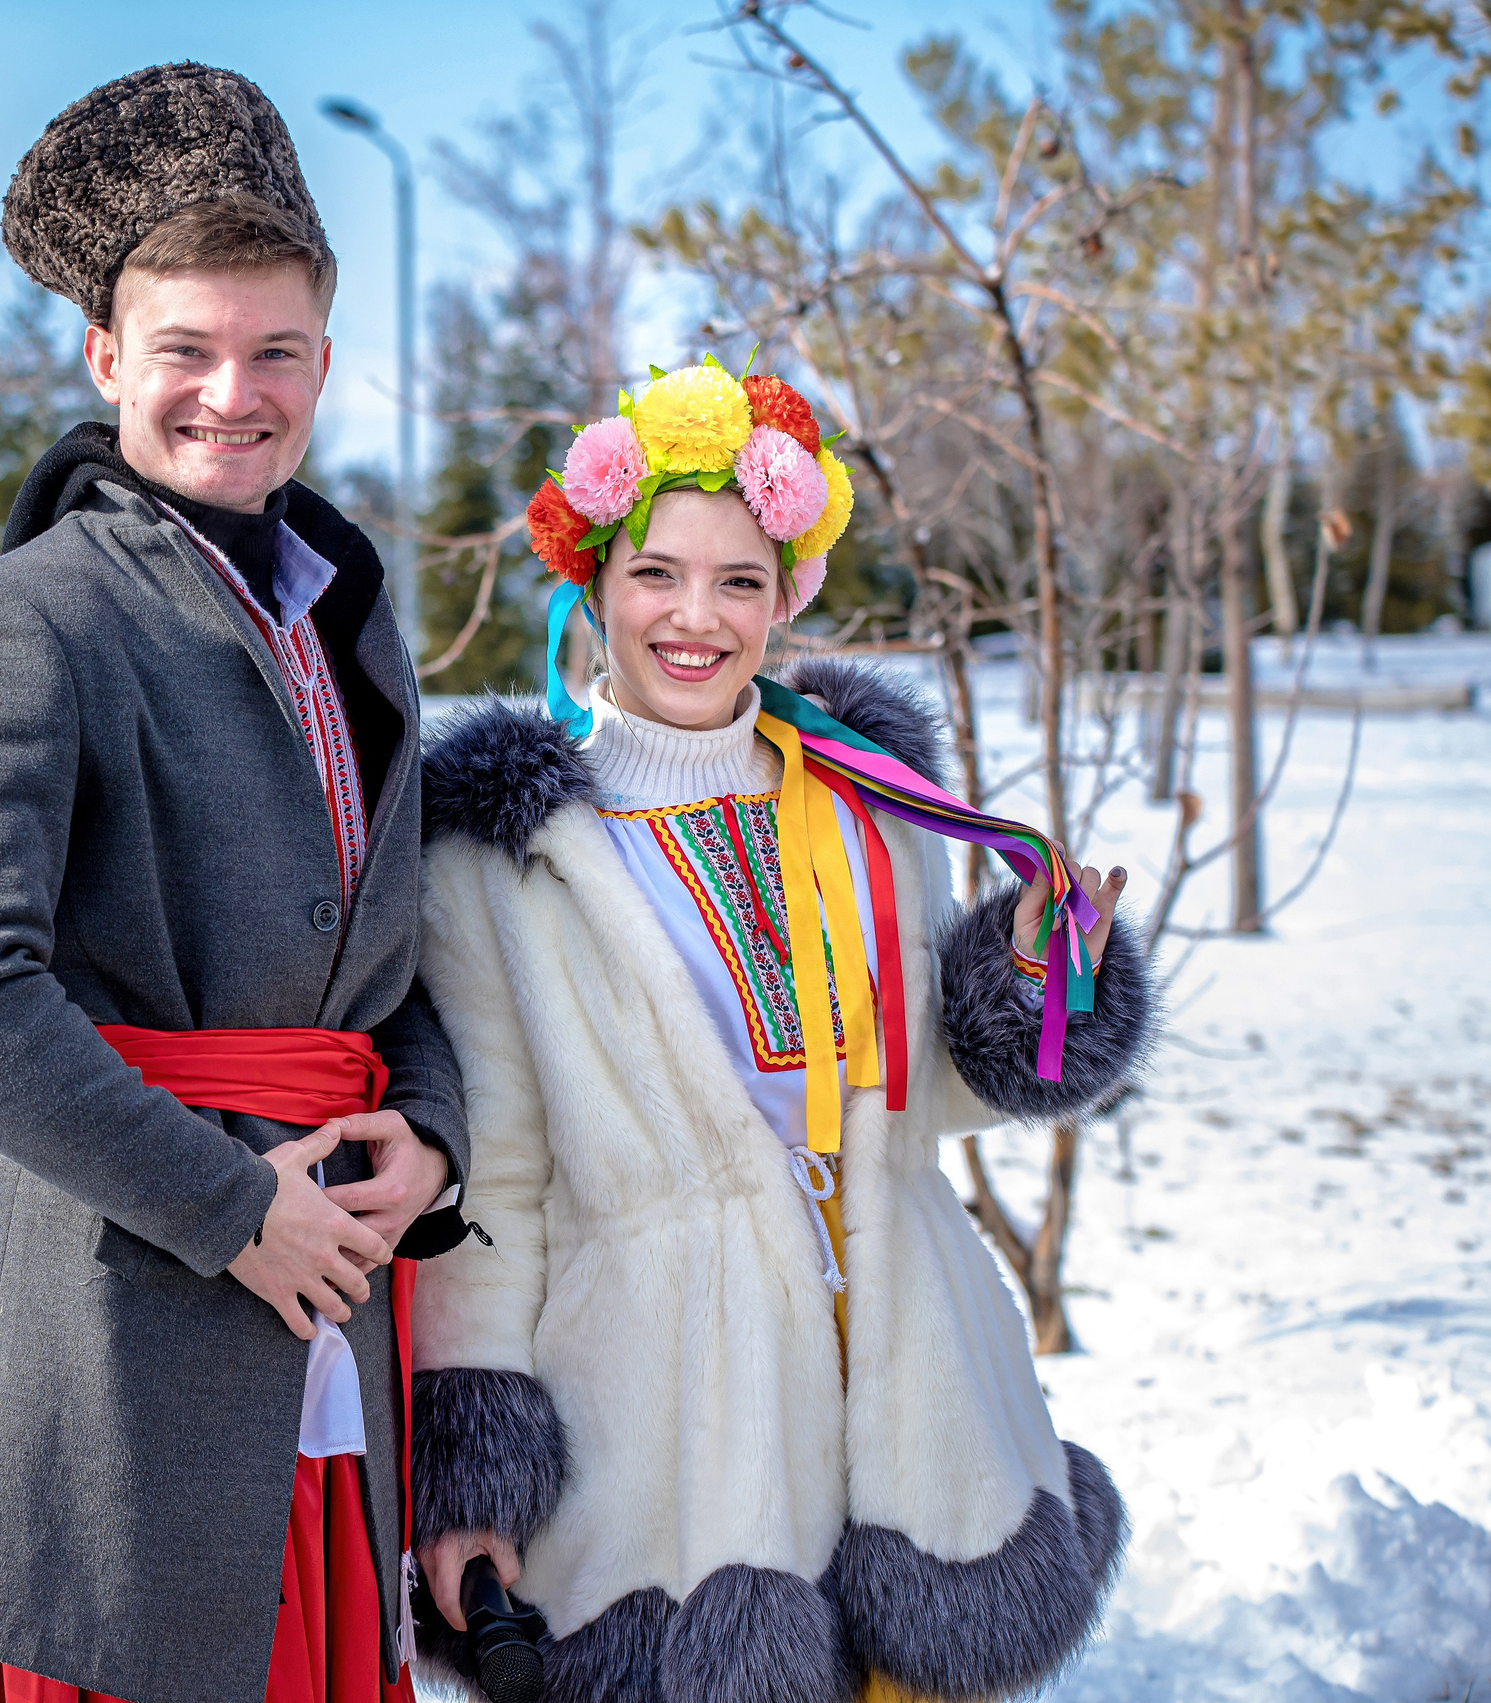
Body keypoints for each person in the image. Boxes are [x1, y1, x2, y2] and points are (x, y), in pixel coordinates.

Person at [406, 362, 1158, 1703]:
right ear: (593, 581)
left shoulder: (865, 800)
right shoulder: (499, 852)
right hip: (672, 1432)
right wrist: (477, 1475)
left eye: (739, 580)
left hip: (910, 1385)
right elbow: (495, 1188)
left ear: (783, 597)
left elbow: (917, 1091)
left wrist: (1033, 981)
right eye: (657, 574)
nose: (696, 616)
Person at [0, 64, 470, 1703]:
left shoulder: (347, 617)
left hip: (334, 1328)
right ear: (104, 357)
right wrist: (230, 1206)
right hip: (122, 1341)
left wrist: (426, 1133)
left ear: (326, 361)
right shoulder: (17, 621)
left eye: (275, 350)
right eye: (185, 348)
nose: (231, 392)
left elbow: (387, 960)